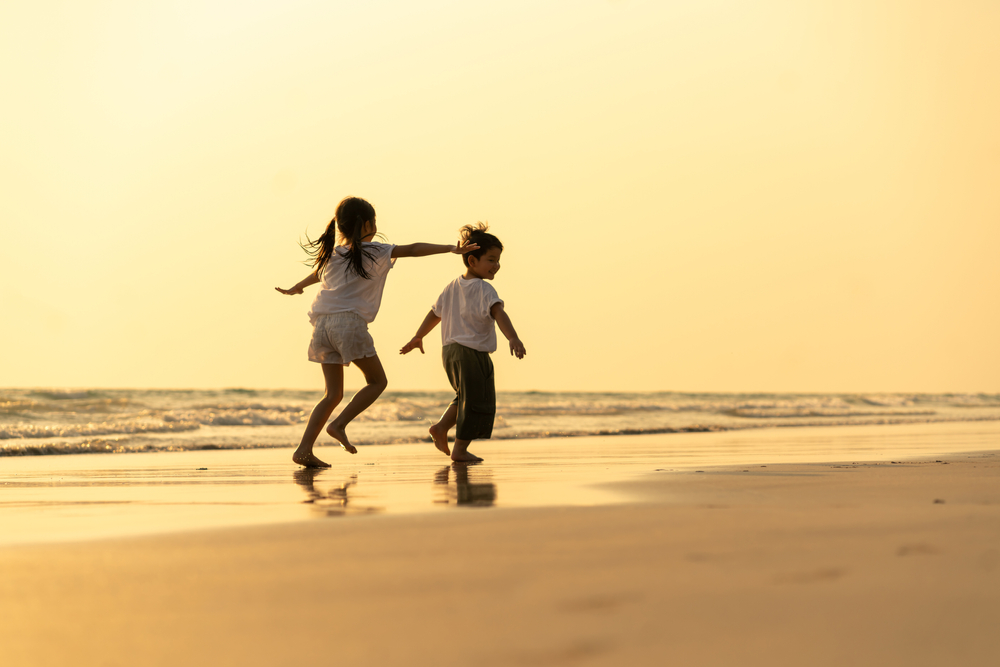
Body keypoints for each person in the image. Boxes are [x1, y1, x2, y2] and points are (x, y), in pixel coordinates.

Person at [276, 196, 478, 468]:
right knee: (377, 382)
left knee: (332, 394)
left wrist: (296, 287)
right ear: (368, 224)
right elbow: (413, 249)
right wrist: (450, 249)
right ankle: (339, 424)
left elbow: (317, 275)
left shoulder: (333, 254)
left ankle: (304, 449)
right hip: (349, 325)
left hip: (321, 326)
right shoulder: (376, 251)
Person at [399, 223, 525, 462]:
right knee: (476, 401)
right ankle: (459, 450)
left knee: (465, 396)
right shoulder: (485, 289)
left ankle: (440, 428)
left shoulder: (451, 287)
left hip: (450, 352)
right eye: (491, 259)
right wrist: (513, 337)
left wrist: (419, 336)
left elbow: (434, 314)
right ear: (472, 261)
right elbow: (499, 313)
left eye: (498, 260)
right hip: (471, 353)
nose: (496, 265)